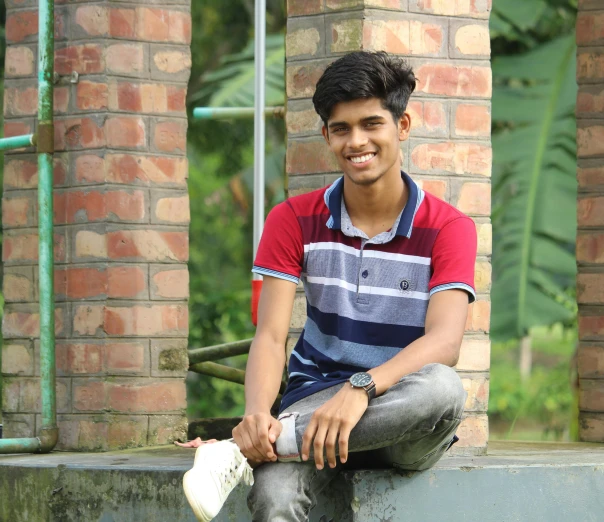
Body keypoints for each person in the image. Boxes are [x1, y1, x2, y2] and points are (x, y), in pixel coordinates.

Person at [178, 50, 477, 522]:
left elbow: (445, 341)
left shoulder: (448, 226)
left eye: (371, 123)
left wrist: (360, 389)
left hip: (399, 418)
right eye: (341, 129)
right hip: (313, 406)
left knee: (443, 387)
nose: (356, 141)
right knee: (274, 500)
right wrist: (257, 414)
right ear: (326, 136)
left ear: (402, 126)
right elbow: (271, 336)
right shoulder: (293, 219)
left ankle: (240, 451)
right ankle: (260, 442)